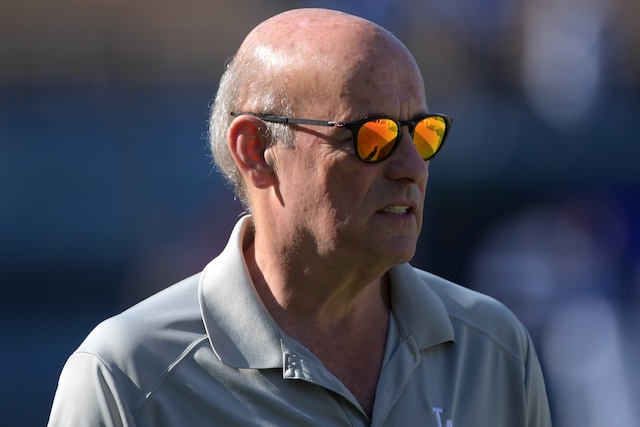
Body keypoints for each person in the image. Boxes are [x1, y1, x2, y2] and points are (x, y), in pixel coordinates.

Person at [48, 8, 552, 426]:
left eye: (423, 134)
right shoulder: (126, 378)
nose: (412, 168)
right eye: (372, 137)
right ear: (256, 150)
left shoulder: (495, 350)